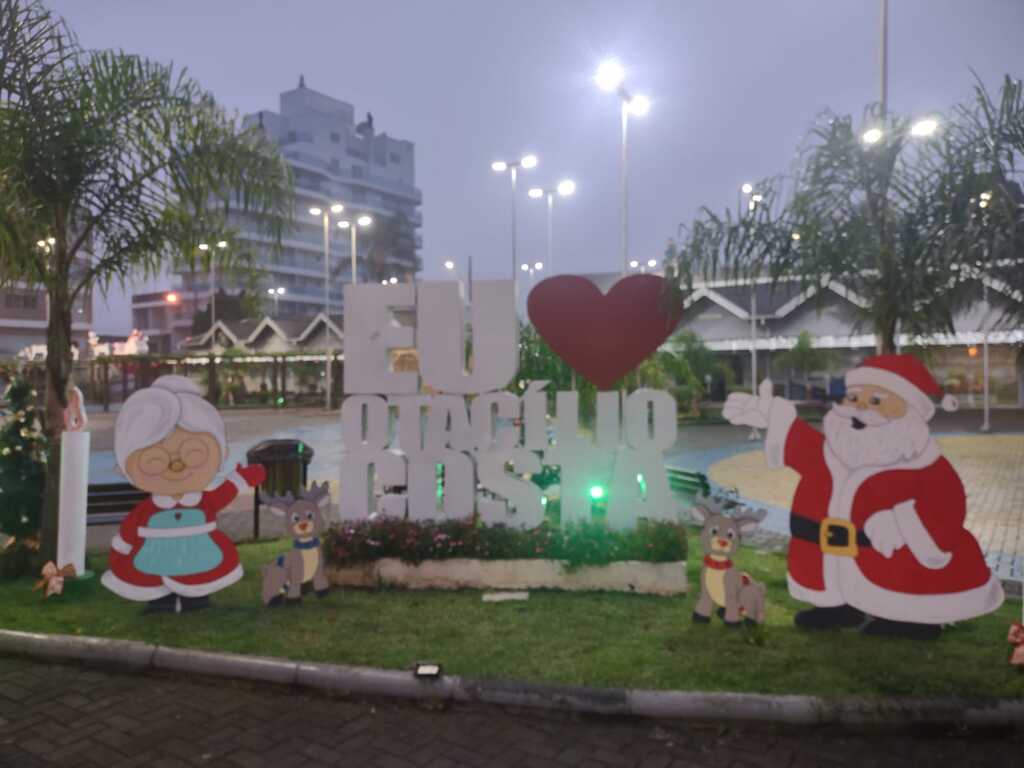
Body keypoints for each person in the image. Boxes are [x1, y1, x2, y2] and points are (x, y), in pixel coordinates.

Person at [723, 355, 1003, 639]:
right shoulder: (836, 450)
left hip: (892, 565)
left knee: (903, 591)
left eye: (876, 401)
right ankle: (837, 608)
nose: (858, 410)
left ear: (911, 411)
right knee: (829, 582)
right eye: (853, 398)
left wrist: (901, 523)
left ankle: (912, 620)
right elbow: (803, 447)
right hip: (826, 559)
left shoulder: (926, 465)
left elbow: (947, 507)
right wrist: (774, 417)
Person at [101, 375, 265, 613]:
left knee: (201, 573)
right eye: (155, 459)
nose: (175, 465)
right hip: (154, 558)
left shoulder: (202, 502)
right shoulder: (149, 509)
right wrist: (121, 549)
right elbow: (130, 527)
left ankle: (196, 598)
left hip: (200, 553)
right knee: (152, 577)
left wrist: (242, 479)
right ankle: (161, 601)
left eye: (193, 452)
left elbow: (223, 494)